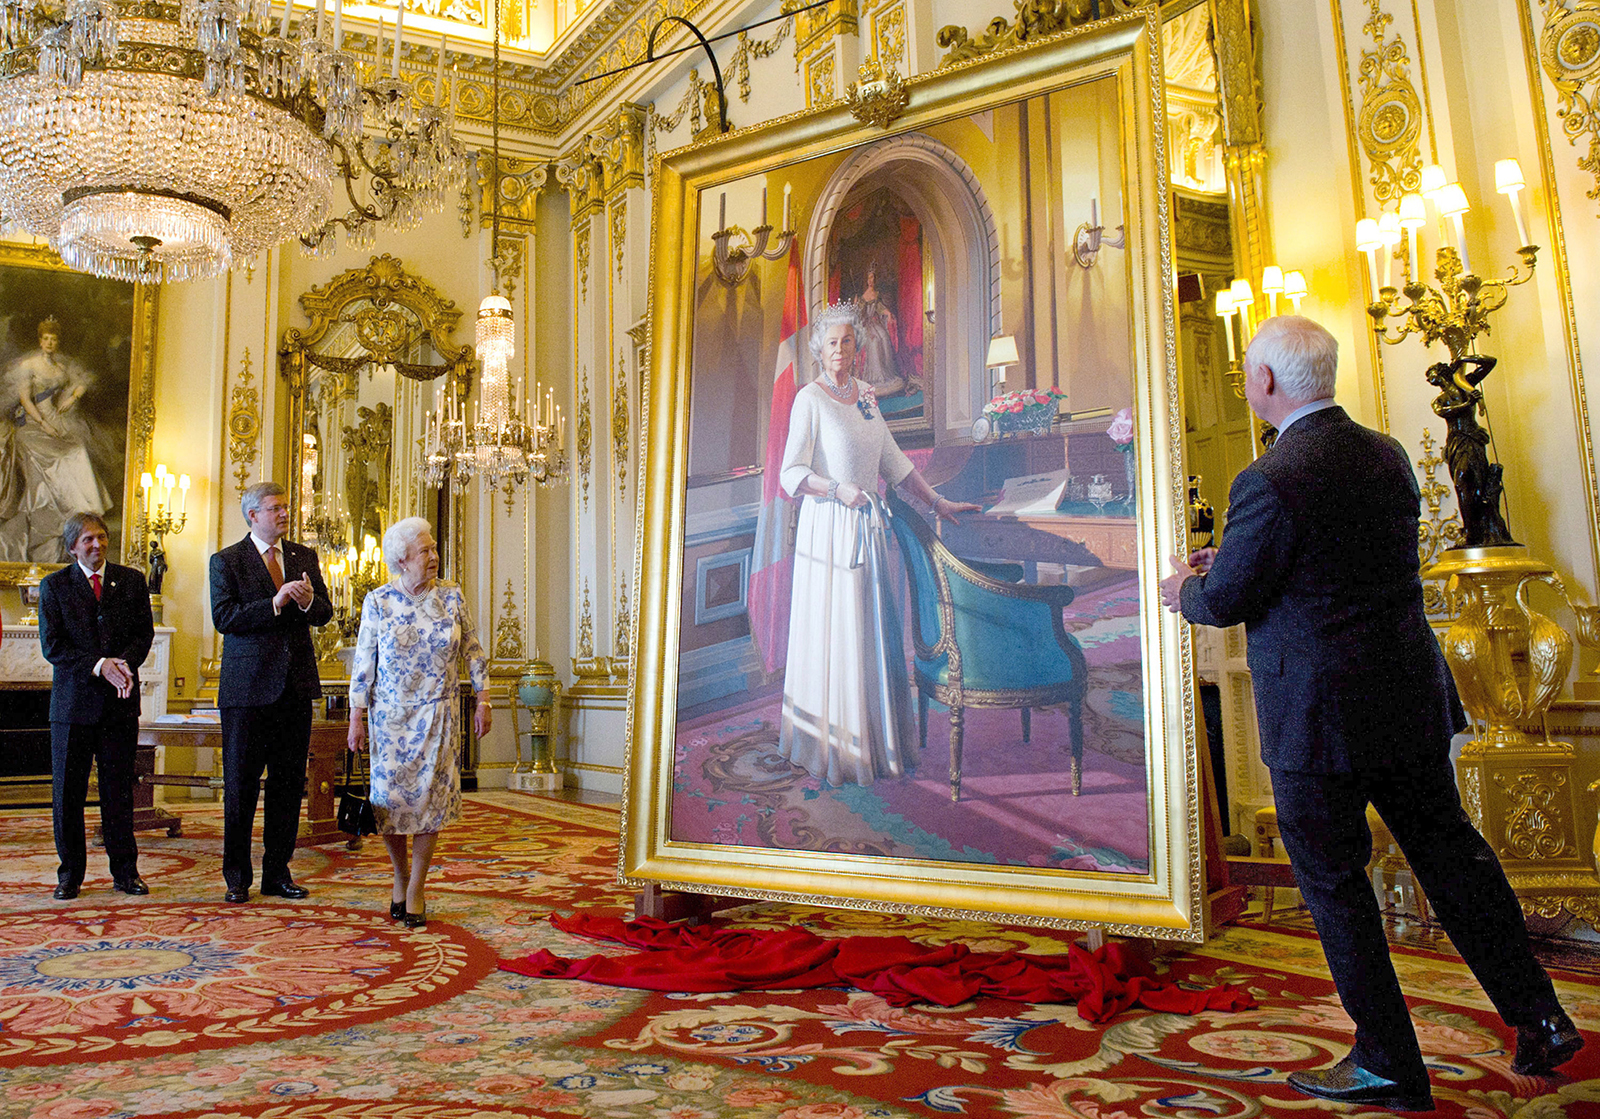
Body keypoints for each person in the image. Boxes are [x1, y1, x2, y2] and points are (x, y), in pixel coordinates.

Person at [1158, 315, 1582, 1111]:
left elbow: (1223, 601)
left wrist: (1182, 586)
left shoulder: (1270, 476)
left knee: (1335, 882)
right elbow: (1331, 562)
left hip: (1320, 719)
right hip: (1406, 701)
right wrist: (1243, 555)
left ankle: (1387, 1055)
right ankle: (1541, 1015)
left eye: (1249, 372)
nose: (1247, 383)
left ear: (1270, 384)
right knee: (1453, 854)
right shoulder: (1386, 454)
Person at [776, 302, 978, 786]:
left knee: (869, 629)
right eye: (832, 343)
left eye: (848, 341)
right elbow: (790, 475)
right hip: (830, 529)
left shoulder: (866, 396)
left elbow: (892, 460)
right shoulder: (810, 399)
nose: (840, 350)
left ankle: (876, 740)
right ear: (818, 350)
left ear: (858, 347)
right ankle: (835, 748)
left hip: (868, 528)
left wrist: (937, 502)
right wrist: (837, 490)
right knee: (840, 630)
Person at [347, 517, 490, 928]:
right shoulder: (378, 601)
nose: (434, 556)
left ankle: (417, 887)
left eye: (433, 548)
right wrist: (356, 717)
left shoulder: (451, 597)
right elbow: (364, 664)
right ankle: (398, 873)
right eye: (425, 551)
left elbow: (473, 649)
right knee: (389, 803)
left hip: (439, 715)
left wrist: (483, 699)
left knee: (432, 804)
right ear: (402, 559)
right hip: (390, 718)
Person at [210, 481, 333, 904]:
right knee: (241, 786)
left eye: (285, 506)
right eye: (275, 508)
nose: (284, 513)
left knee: (287, 786)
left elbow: (324, 613)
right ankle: (237, 878)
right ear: (253, 515)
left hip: (295, 688)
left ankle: (277, 873)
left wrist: (306, 599)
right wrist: (276, 602)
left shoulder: (303, 556)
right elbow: (224, 617)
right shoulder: (226, 560)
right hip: (247, 693)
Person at [37, 512, 153, 899]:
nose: (97, 545)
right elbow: (53, 647)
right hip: (72, 708)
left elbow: (143, 634)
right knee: (68, 794)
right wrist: (101, 665)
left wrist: (123, 663)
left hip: (119, 705)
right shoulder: (54, 587)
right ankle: (69, 875)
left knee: (118, 792)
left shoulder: (132, 581)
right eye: (87, 540)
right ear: (73, 547)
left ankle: (126, 873)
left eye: (101, 537)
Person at [5, 317, 113, 561]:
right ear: (40, 341)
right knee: (54, 459)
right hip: (33, 425)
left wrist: (72, 398)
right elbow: (25, 399)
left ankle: (77, 512)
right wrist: (43, 424)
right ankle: (49, 517)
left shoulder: (61, 369)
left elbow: (81, 383)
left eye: (54, 339)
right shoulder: (29, 365)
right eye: (46, 339)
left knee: (78, 452)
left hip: (57, 422)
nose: (50, 343)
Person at [852, 265, 909, 397]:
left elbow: (879, 307)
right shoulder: (862, 296)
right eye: (869, 277)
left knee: (884, 337)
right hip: (865, 324)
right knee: (874, 341)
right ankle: (874, 377)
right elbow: (859, 315)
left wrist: (887, 313)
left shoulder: (876, 294)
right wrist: (856, 305)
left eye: (873, 277)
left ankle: (887, 373)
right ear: (866, 280)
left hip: (876, 322)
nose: (871, 280)